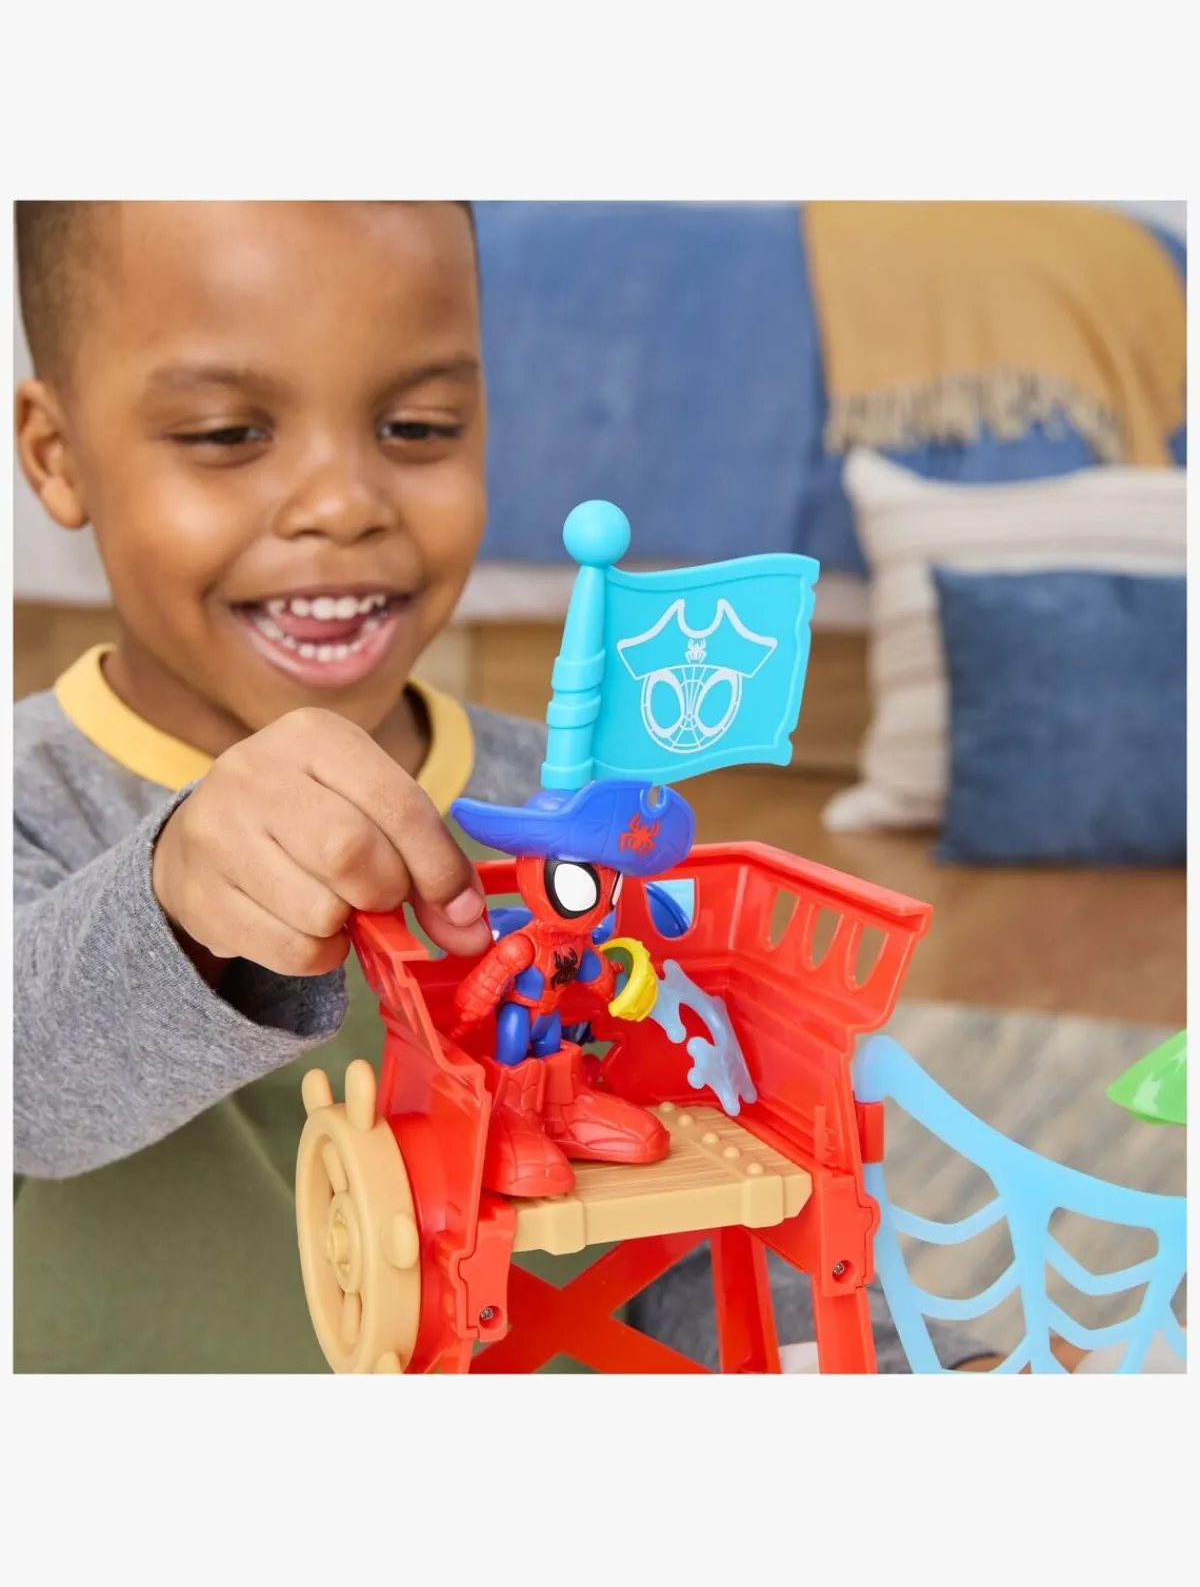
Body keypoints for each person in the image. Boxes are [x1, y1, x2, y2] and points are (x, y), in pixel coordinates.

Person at [13, 200, 990, 1372]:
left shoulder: (569, 805)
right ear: (57, 456)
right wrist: (175, 896)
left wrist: (919, 1366)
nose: (344, 503)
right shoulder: (32, 791)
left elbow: (720, 1198)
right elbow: (30, 1097)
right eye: (228, 433)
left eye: (417, 427)